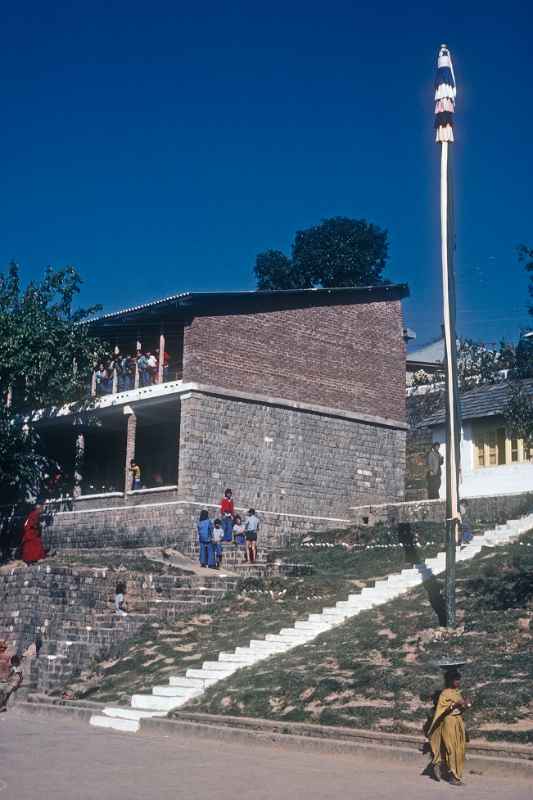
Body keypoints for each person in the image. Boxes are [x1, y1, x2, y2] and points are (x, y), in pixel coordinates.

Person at [428, 669, 471, 785]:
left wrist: (466, 705)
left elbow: (461, 709)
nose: (458, 682)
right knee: (451, 749)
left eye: (459, 680)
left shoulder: (456, 692)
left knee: (459, 749)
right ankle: (452, 776)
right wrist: (454, 705)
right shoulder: (445, 693)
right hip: (449, 722)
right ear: (450, 681)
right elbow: (443, 710)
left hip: (458, 722)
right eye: (456, 680)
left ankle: (457, 775)